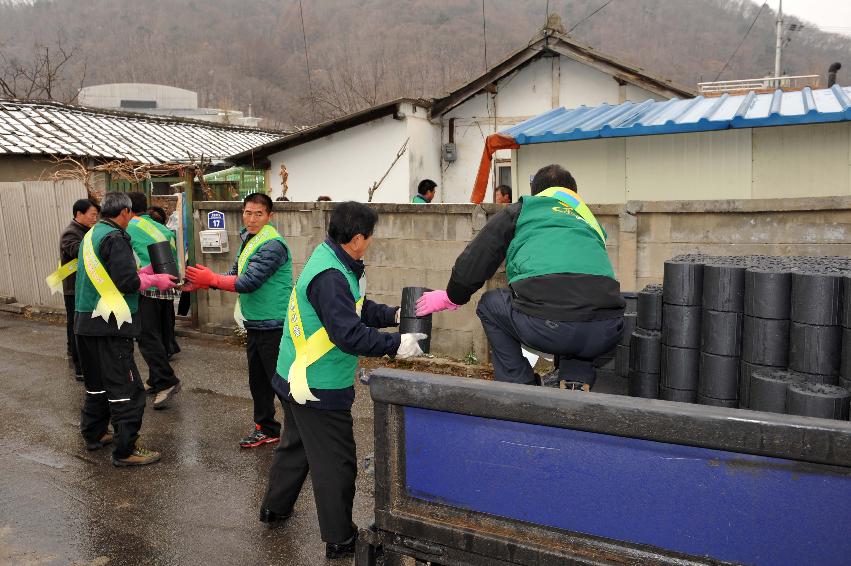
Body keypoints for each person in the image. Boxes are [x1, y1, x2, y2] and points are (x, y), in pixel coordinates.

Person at [258, 201, 425, 560]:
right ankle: (339, 538)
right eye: (372, 236)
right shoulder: (331, 277)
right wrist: (397, 345)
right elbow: (349, 334)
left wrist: (394, 315)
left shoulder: (333, 259)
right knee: (337, 461)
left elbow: (358, 308)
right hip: (317, 383)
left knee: (297, 446)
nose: (373, 242)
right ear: (358, 239)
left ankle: (274, 509)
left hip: (295, 376)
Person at [417, 164, 624, 391]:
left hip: (549, 327)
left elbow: (477, 257)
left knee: (490, 304)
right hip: (607, 330)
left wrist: (452, 296)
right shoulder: (588, 221)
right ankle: (576, 379)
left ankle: (520, 386)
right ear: (573, 193)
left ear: (536, 193)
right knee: (578, 304)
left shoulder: (524, 209)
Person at [75, 192, 177, 466]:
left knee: (96, 385)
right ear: (124, 213)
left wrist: (142, 274)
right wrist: (155, 279)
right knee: (126, 388)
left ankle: (95, 434)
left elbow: (113, 275)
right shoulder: (116, 237)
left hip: (86, 322)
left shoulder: (92, 234)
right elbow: (126, 284)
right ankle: (125, 450)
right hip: (111, 323)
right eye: (130, 216)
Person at [185, 193, 292, 448]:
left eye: (258, 214)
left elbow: (248, 282)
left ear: (270, 216)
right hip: (255, 323)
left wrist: (211, 279)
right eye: (247, 213)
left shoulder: (272, 244)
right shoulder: (249, 238)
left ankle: (302, 434)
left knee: (282, 383)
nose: (252, 218)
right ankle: (267, 429)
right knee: (258, 383)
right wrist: (204, 282)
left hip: (274, 324)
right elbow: (235, 273)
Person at [126, 192, 182, 410]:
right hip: (167, 285)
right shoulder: (159, 226)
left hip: (147, 286)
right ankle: (155, 379)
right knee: (158, 335)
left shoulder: (129, 227)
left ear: (127, 209)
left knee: (147, 338)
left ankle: (167, 381)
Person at [51, 198, 100, 380]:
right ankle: (80, 366)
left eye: (97, 215)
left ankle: (76, 358)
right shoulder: (70, 233)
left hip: (84, 287)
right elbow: (81, 253)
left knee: (79, 325)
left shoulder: (87, 230)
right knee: (77, 326)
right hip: (74, 288)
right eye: (92, 214)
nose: (95, 218)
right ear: (79, 214)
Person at [148, 205, 181, 359]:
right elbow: (174, 256)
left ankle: (163, 349)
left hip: (151, 284)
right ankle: (170, 346)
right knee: (168, 318)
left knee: (156, 323)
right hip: (169, 279)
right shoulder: (168, 233)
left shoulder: (138, 232)